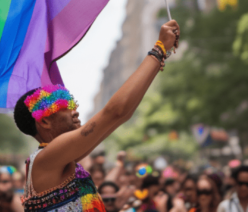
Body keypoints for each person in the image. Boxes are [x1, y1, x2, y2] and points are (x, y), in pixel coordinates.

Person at [14, 20, 180, 212]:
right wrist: (158, 49)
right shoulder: (47, 157)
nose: (74, 110)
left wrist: (161, 55)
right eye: (64, 106)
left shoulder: (63, 158)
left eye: (72, 104)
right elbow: (113, 113)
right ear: (44, 121)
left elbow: (121, 116)